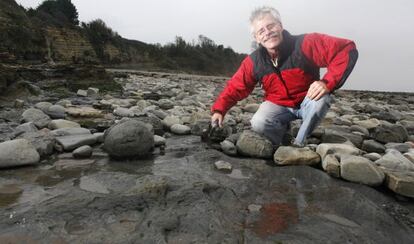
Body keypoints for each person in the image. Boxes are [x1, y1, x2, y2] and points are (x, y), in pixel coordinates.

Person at [210, 6, 358, 147]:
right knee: (258, 123)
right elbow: (236, 86)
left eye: (271, 26)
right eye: (261, 31)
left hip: (308, 100)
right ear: (256, 38)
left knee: (322, 100)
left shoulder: (305, 43)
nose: (267, 32)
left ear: (280, 26)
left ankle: (299, 144)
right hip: (278, 105)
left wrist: (327, 82)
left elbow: (345, 49)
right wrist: (219, 110)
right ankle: (282, 143)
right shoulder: (254, 61)